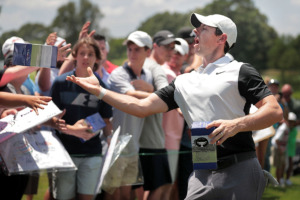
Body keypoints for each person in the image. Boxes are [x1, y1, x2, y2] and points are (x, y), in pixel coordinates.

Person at [66, 13, 283, 200]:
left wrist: (236, 125)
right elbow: (141, 106)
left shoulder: (241, 71)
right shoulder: (183, 81)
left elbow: (274, 111)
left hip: (239, 167)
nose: (194, 31)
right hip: (202, 170)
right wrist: (100, 91)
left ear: (221, 38)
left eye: (203, 28)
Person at [50, 37, 113, 200]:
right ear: (75, 55)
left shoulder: (102, 88)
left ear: (97, 58)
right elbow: (50, 119)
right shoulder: (60, 83)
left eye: (90, 54)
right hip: (65, 153)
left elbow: (105, 121)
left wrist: (111, 140)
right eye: (82, 53)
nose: (86, 58)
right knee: (63, 197)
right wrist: (73, 130)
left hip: (92, 153)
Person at [101, 30, 153, 200]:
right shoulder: (119, 74)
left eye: (137, 49)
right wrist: (154, 92)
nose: (132, 53)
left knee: (126, 194)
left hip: (132, 146)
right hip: (115, 144)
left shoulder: (147, 75)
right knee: (112, 194)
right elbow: (132, 96)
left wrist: (151, 89)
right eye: (130, 49)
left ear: (148, 52)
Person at [137, 30, 177, 200]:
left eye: (173, 47)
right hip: (151, 138)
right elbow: (165, 94)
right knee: (157, 187)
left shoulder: (142, 65)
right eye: (167, 47)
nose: (171, 51)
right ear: (154, 46)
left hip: (145, 136)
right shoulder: (155, 68)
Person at [162, 38, 188, 200]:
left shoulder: (181, 77)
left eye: (179, 53)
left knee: (175, 184)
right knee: (164, 185)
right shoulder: (166, 73)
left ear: (185, 56)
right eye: (172, 51)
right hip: (166, 139)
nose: (174, 55)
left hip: (177, 140)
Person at [271, 112, 297, 187]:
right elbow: (276, 140)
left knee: (282, 165)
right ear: (287, 120)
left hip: (281, 149)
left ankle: (280, 181)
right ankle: (278, 182)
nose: (291, 123)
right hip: (278, 148)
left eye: (292, 121)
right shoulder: (283, 128)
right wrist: (280, 150)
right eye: (290, 121)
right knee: (279, 166)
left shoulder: (287, 127)